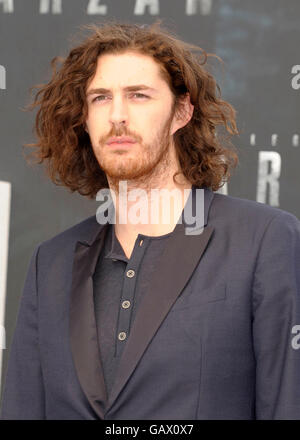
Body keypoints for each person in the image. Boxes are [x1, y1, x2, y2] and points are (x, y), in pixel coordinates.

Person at [1, 21, 300, 420]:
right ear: (84, 120)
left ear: (181, 111)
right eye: (101, 98)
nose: (118, 115)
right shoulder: (50, 264)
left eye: (138, 95)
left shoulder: (264, 241)